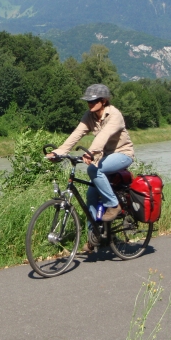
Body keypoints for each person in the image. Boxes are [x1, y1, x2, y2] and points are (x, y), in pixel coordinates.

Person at [47, 84, 134, 250]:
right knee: (91, 194)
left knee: (93, 170)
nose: (90, 103)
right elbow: (77, 133)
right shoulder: (89, 116)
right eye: (88, 101)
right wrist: (59, 152)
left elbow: (104, 135)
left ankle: (113, 204)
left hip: (123, 155)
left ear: (104, 100)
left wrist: (91, 152)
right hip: (104, 158)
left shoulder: (114, 115)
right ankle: (94, 236)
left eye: (93, 100)